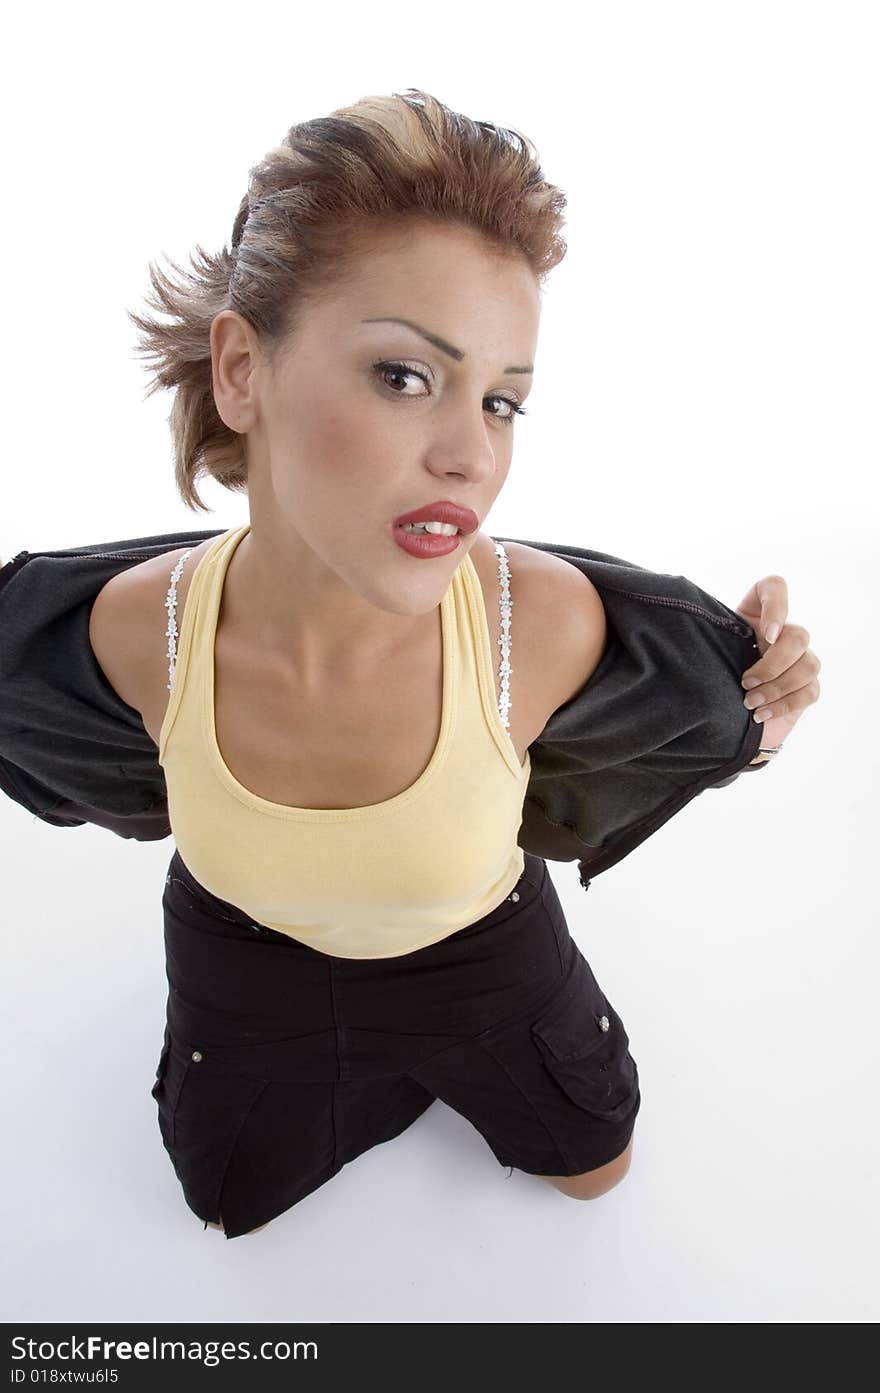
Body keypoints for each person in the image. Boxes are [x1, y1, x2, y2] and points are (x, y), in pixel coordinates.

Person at [52, 90, 820, 1239]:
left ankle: (416, 1059)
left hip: (477, 946)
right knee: (227, 1206)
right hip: (245, 950)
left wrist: (763, 702)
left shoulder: (539, 624)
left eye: (502, 400)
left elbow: (705, 724)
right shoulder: (135, 631)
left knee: (594, 1170)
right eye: (406, 376)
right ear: (241, 371)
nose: (471, 455)